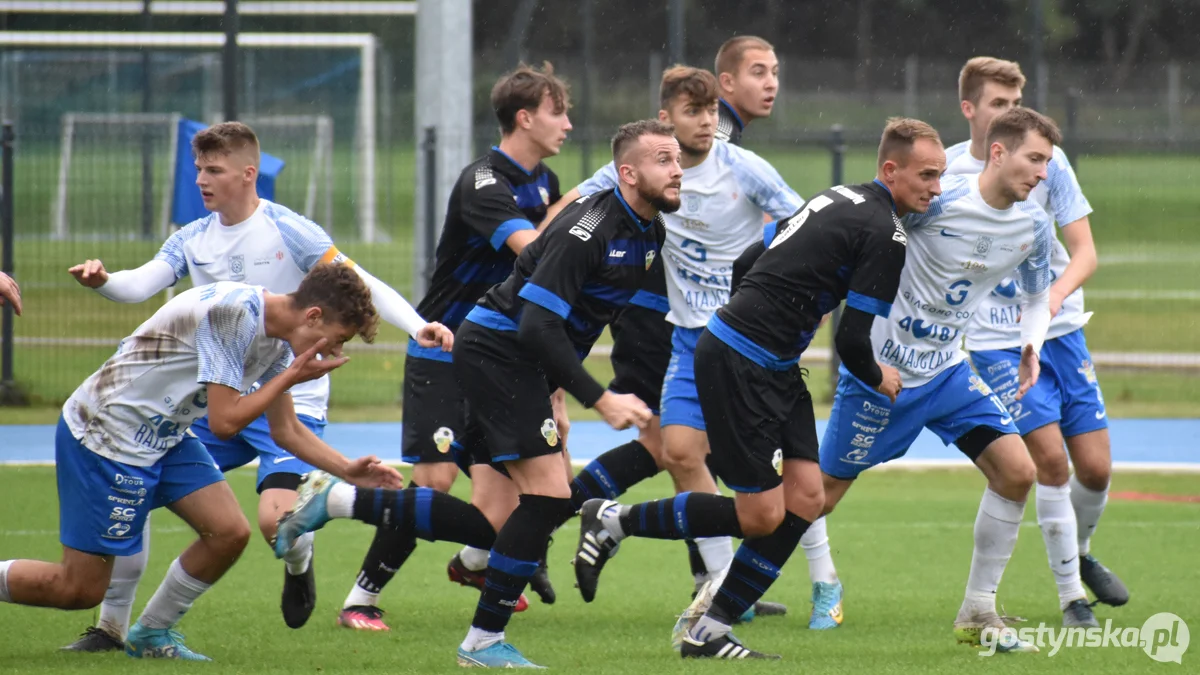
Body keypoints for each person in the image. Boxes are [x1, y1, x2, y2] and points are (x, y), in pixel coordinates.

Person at [60, 121, 450, 650]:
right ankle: (112, 628)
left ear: (248, 174)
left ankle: (298, 560)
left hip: (288, 382)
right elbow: (145, 281)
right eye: (199, 169)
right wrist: (106, 282)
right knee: (138, 489)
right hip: (217, 390)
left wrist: (416, 324)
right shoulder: (191, 238)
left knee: (272, 522)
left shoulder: (289, 230)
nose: (201, 179)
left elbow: (358, 284)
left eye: (213, 169)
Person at [572, 118, 939, 660]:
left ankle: (708, 630)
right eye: (927, 175)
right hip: (741, 363)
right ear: (891, 170)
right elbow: (854, 340)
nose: (936, 187)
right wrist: (880, 377)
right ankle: (616, 521)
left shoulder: (838, 197)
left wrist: (769, 309)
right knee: (761, 516)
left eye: (942, 176)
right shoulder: (887, 234)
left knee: (808, 499)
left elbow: (750, 256)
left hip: (774, 363)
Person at [0, 264, 403, 661]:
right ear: (314, 316)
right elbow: (224, 422)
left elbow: (286, 431)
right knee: (78, 590)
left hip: (163, 435)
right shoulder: (234, 315)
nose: (336, 351)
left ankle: (151, 634)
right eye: (339, 338)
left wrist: (347, 469)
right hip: (107, 435)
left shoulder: (278, 339)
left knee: (228, 532)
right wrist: (291, 376)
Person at [816, 107, 1077, 651]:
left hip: (948, 372)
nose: (1042, 173)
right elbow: (861, 238)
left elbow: (1034, 296)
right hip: (884, 376)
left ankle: (979, 614)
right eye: (1034, 158)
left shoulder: (1032, 223)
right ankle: (724, 584)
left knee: (1016, 471)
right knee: (813, 500)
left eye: (1048, 163)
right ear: (999, 153)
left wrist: (1030, 342)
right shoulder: (939, 199)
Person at [562, 65, 806, 625]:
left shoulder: (743, 169)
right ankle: (719, 588)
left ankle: (774, 584)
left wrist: (771, 281)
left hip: (747, 344)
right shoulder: (646, 169)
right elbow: (573, 208)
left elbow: (803, 225)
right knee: (678, 452)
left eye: (714, 111)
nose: (707, 122)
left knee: (794, 488)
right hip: (688, 339)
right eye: (695, 112)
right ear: (665, 118)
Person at [336, 62, 571, 631]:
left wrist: (554, 386)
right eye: (557, 111)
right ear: (524, 117)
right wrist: (587, 202)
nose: (567, 123)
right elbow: (535, 252)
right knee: (436, 480)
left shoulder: (545, 184)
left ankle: (473, 565)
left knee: (500, 505)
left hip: (497, 361)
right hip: (443, 347)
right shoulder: (484, 182)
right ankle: (359, 599)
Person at [947, 56, 1128, 617]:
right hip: (994, 343)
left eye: (1016, 100)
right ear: (970, 109)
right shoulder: (947, 173)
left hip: (1061, 329)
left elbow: (1085, 252)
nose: (1012, 112)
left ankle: (1079, 551)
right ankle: (1072, 596)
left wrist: (1052, 297)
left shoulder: (1049, 163)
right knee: (1049, 462)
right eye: (999, 103)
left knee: (1095, 468)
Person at [712, 35, 779, 146]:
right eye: (758, 73)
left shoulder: (719, 125)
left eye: (774, 73)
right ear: (728, 83)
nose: (772, 84)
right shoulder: (720, 140)